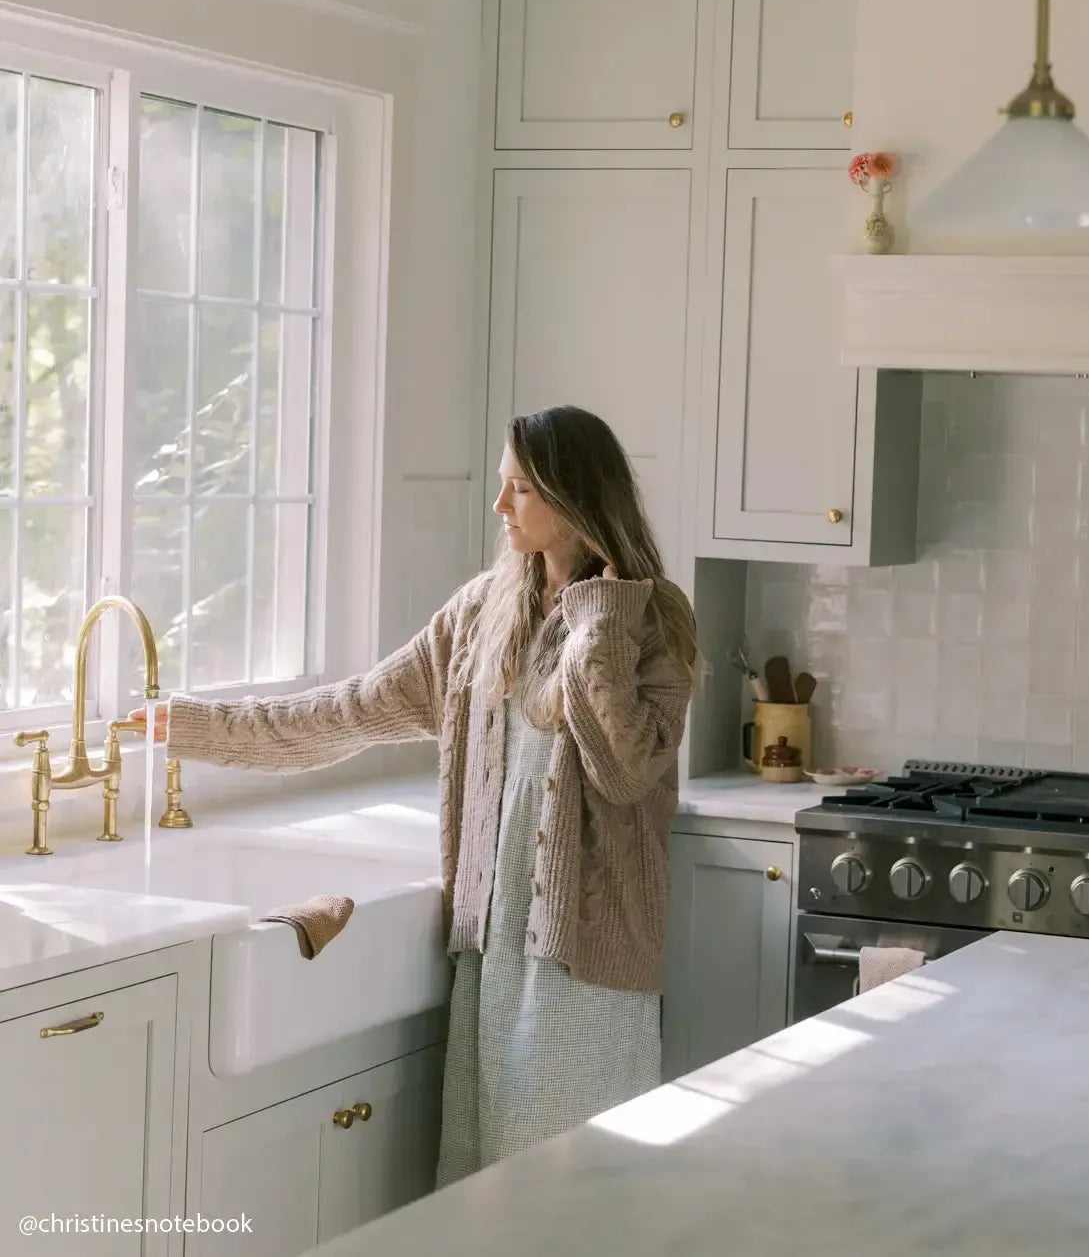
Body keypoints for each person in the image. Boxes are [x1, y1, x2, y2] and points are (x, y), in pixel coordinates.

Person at [134, 404, 697, 1185]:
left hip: (589, 961)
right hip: (492, 951)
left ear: (575, 501)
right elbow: (348, 710)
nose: (500, 506)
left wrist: (596, 609)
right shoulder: (479, 614)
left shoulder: (651, 619)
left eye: (521, 490)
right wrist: (190, 726)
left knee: (567, 1198)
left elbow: (625, 770)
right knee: (482, 1193)